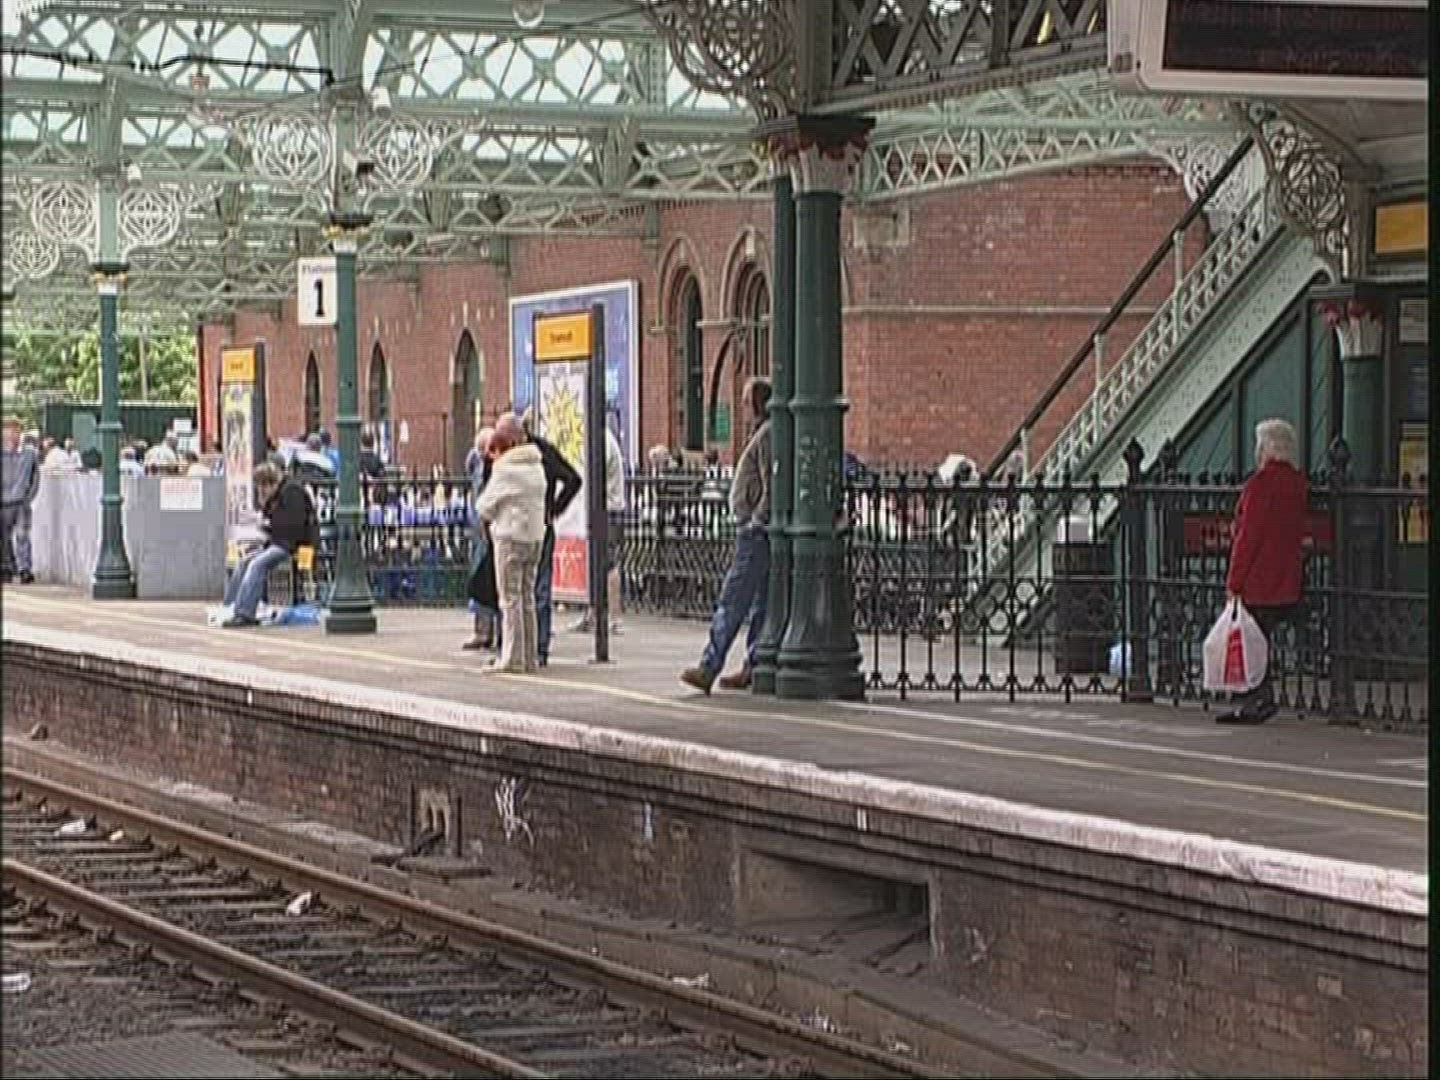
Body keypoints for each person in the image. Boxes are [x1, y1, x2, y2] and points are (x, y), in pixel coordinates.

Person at [681, 378, 773, 693]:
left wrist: (755, 520)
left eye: (746, 402)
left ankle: (710, 664)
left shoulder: (766, 434)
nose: (742, 408)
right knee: (760, 602)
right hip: (756, 531)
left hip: (755, 534)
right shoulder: (762, 433)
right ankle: (754, 664)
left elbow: (769, 484)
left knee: (733, 599)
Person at [1218, 418, 1308, 724]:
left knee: (1252, 639)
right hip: (1287, 575)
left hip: (1259, 578)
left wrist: (1234, 581)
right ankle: (1258, 697)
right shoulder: (1297, 484)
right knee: (1263, 638)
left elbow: (1249, 537)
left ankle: (1256, 699)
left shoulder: (1259, 485)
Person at [477, 414, 548, 673]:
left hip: (509, 537)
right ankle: (530, 656)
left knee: (509, 599)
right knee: (528, 598)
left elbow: (484, 506)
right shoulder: (537, 465)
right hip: (535, 537)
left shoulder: (505, 469)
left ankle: (512, 658)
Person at [219, 461, 314, 628]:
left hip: (292, 543)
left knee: (257, 564)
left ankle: (244, 612)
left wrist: (268, 523)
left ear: (271, 483)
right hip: (277, 542)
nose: (262, 491)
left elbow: (293, 525)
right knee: (243, 563)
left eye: (263, 487)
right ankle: (229, 607)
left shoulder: (292, 492)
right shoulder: (275, 496)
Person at [522, 411, 582, 666]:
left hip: (523, 525)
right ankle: (539, 647)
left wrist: (555, 509)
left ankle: (527, 645)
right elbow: (573, 479)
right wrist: (555, 509)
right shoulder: (544, 451)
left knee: (522, 588)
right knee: (540, 587)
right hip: (541, 524)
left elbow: (573, 480)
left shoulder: (520, 453)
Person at [571, 424, 626, 635]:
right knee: (595, 562)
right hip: (601, 509)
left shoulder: (602, 442)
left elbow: (593, 476)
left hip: (606, 510)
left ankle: (613, 617)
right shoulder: (600, 439)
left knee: (608, 562)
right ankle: (594, 613)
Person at [462, 426, 501, 650]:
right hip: (480, 530)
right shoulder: (477, 463)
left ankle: (493, 632)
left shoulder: (497, 467)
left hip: (491, 531)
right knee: (481, 582)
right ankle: (482, 630)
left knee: (493, 583)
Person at [2, 418, 42, 584]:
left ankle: (24, 569)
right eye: (9, 432)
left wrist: (29, 496)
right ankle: (7, 568)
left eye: (16, 432)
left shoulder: (29, 453)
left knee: (22, 535)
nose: (13, 435)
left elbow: (35, 477)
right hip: (3, 502)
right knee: (4, 537)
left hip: (21, 501)